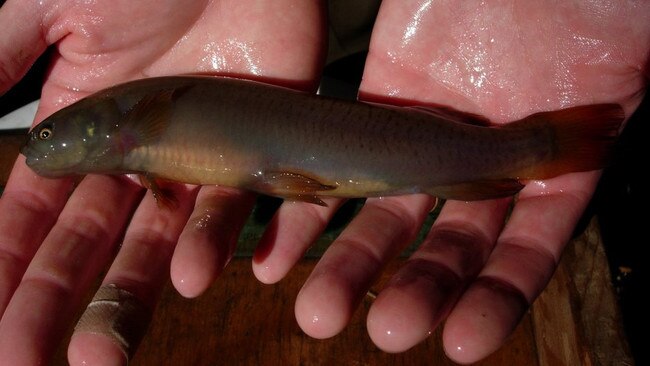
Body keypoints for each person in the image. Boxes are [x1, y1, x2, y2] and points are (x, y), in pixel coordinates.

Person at [0, 0, 647, 364]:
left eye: (54, 137)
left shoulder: (139, 117)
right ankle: (530, 149)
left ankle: (537, 146)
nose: (44, 147)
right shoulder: (138, 143)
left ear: (116, 128)